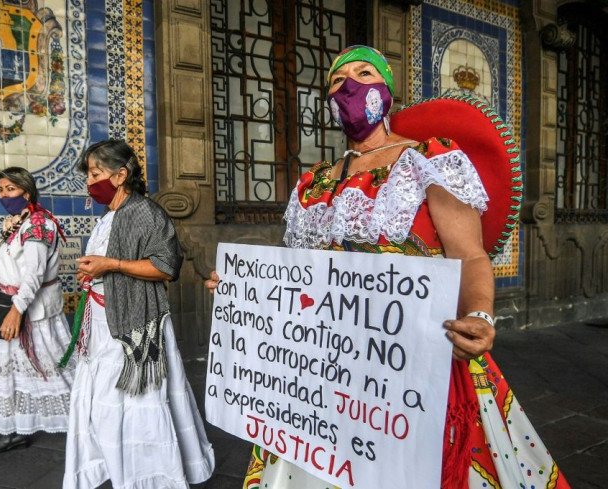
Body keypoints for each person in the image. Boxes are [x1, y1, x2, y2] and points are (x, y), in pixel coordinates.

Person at [206, 45, 570, 489]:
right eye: (337, 81)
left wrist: (479, 314)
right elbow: (298, 271)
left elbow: (470, 255)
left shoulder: (428, 159)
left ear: (387, 93)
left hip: (411, 357)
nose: (350, 86)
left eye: (364, 74)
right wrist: (243, 288)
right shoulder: (313, 180)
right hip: (325, 363)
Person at [61, 139, 215, 489]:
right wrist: (93, 272)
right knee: (102, 408)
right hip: (102, 323)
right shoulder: (109, 217)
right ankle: (113, 469)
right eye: (88, 173)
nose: (89, 181)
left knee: (136, 407)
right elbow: (108, 266)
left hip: (133, 326)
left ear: (121, 175)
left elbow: (165, 266)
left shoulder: (145, 212)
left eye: (95, 173)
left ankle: (149, 477)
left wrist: (110, 265)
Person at [0, 166, 75, 454]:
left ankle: (93, 420)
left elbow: (34, 275)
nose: (4, 194)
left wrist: (16, 311)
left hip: (31, 313)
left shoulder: (38, 225)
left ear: (26, 191)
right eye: (0, 190)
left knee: (54, 372)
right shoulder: (17, 221)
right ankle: (14, 429)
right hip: (11, 307)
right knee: (10, 376)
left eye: (10, 189)